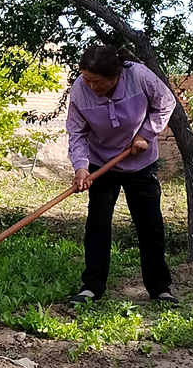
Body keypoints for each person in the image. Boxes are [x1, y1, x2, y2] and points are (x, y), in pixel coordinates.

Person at [65, 45, 178, 305]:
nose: (92, 87)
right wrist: (81, 166)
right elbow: (77, 131)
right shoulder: (80, 90)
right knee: (98, 224)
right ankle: (92, 287)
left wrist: (146, 134)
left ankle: (160, 289)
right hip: (100, 163)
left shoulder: (138, 76)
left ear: (115, 75)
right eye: (88, 80)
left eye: (99, 82)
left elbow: (165, 103)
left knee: (149, 225)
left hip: (139, 162)